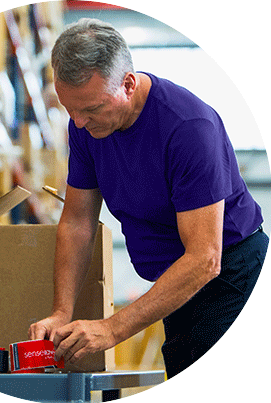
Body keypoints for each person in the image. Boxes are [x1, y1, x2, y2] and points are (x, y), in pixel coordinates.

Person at [28, 18, 268, 378]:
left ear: (127, 84)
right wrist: (62, 311)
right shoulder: (86, 128)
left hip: (231, 279)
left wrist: (111, 328)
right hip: (175, 280)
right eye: (70, 110)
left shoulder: (188, 128)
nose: (78, 123)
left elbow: (205, 258)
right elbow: (78, 222)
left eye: (91, 109)